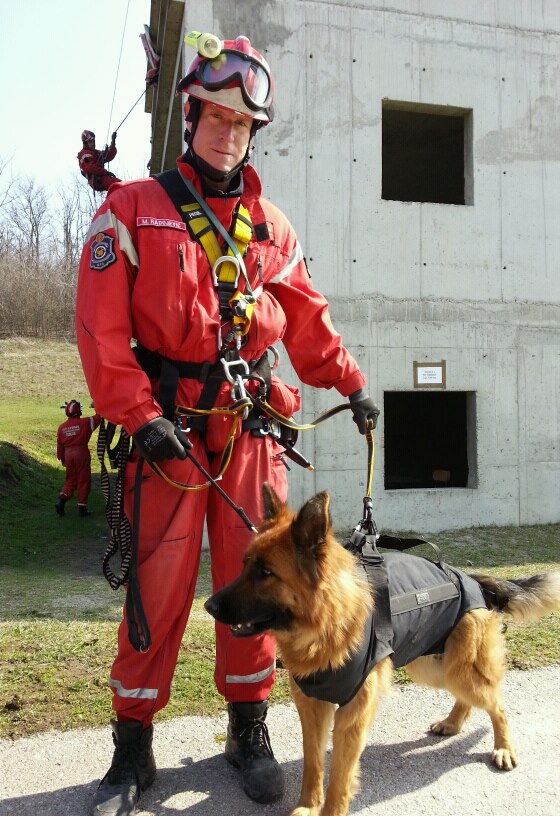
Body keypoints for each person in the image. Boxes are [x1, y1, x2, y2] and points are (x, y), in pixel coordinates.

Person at [75, 33, 380, 816]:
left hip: (247, 437)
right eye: (215, 117)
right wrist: (139, 418)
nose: (227, 132)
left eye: (242, 124)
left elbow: (309, 323)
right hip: (167, 439)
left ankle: (248, 728)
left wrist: (352, 383)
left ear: (254, 133)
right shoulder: (132, 212)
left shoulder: (272, 227)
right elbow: (102, 333)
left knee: (261, 589)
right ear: (191, 118)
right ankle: (131, 748)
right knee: (158, 590)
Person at [55, 400, 101, 517]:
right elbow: (99, 417)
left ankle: (62, 500)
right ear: (79, 411)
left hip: (68, 454)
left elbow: (60, 445)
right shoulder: (85, 422)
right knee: (83, 479)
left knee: (70, 479)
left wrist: (62, 459)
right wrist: (96, 405)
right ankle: (82, 507)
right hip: (81, 452)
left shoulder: (62, 427)